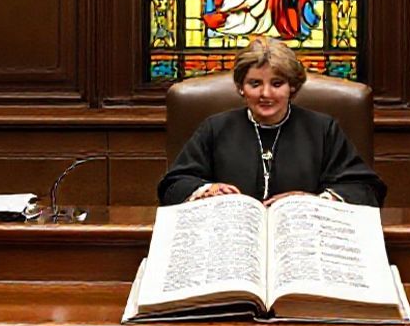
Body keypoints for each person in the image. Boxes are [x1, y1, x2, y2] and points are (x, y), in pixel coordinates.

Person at [158, 37, 385, 207]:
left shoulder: (323, 129)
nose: (265, 94)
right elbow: (173, 186)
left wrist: (315, 201)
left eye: (277, 84)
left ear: (292, 86)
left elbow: (366, 189)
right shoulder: (216, 129)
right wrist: (207, 190)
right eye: (255, 84)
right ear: (240, 87)